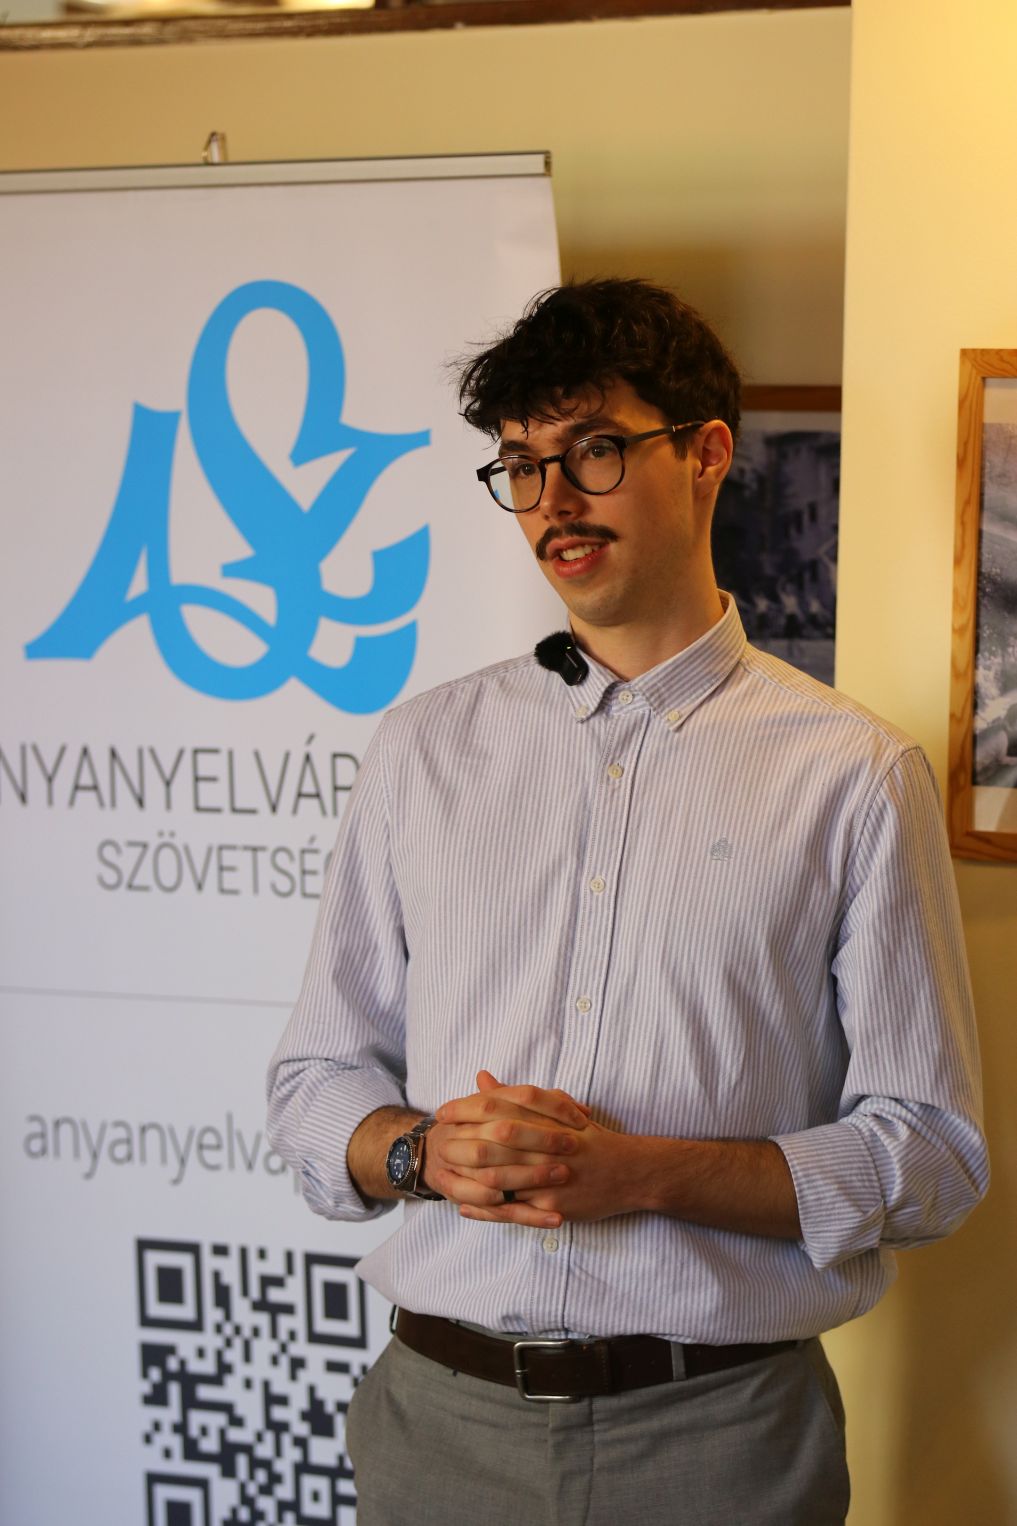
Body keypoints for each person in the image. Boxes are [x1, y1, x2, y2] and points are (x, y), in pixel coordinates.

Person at [267, 279, 987, 1525]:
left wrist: (643, 1172)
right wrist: (422, 1152)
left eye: (594, 449)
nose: (554, 501)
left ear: (705, 454)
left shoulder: (855, 775)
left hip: (721, 1439)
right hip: (438, 1428)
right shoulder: (422, 749)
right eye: (522, 465)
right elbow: (312, 1080)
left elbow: (932, 1151)